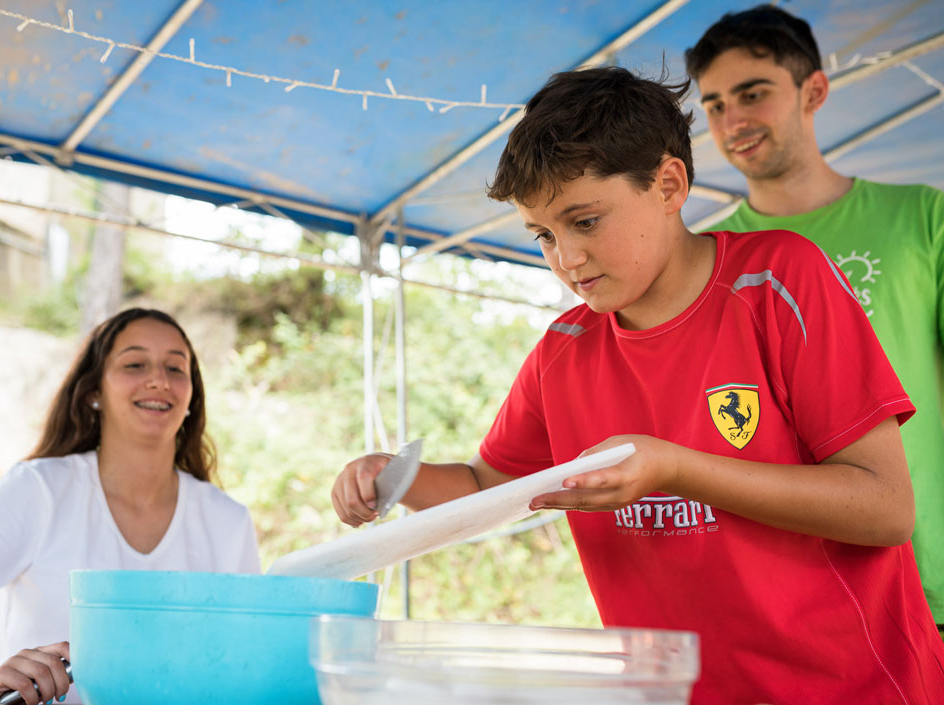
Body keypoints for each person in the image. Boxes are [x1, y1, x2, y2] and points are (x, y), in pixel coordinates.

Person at [330, 67, 944, 704]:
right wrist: (392, 479)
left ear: (669, 184)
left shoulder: (779, 281)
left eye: (586, 222)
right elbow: (486, 488)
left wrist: (676, 469)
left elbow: (886, 508)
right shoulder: (561, 352)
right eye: (543, 235)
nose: (566, 260)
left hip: (857, 689)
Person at [0, 308, 260, 704]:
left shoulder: (229, 522)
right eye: (135, 365)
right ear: (94, 392)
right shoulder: (38, 491)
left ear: (191, 396)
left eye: (176, 368)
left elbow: (247, 669)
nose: (158, 380)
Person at [684, 4, 944, 633]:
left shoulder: (921, 217)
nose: (733, 120)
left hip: (932, 579)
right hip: (803, 601)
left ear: (814, 91)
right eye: (716, 105)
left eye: (752, 93)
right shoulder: (706, 262)